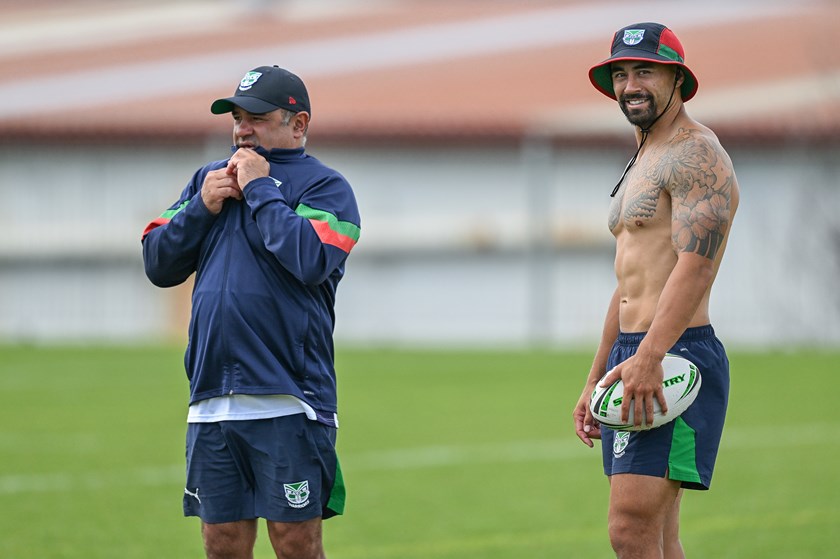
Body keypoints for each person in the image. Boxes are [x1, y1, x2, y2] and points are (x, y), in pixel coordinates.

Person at [142, 65, 360, 559]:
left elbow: (309, 260)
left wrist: (262, 190)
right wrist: (201, 206)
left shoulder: (327, 187)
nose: (242, 129)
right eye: (237, 117)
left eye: (257, 117)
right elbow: (157, 263)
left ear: (298, 123)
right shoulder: (208, 180)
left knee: (296, 544)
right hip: (211, 399)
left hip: (289, 398)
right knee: (221, 545)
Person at [572, 23, 739, 559]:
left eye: (644, 70)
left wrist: (649, 354)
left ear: (676, 79)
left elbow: (696, 267)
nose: (629, 85)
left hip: (673, 352)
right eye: (620, 74)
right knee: (656, 535)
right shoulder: (643, 156)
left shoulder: (696, 154)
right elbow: (627, 283)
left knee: (630, 528)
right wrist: (597, 373)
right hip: (634, 353)